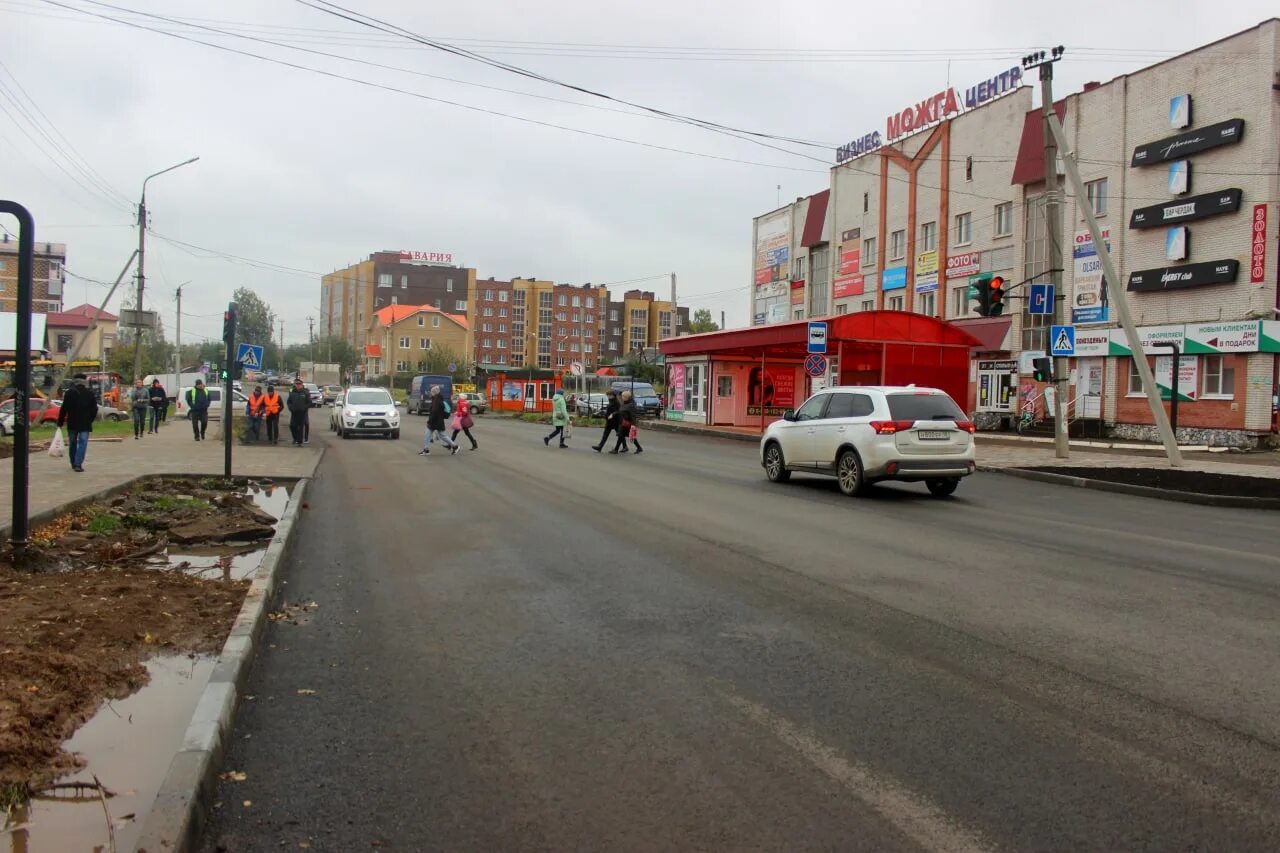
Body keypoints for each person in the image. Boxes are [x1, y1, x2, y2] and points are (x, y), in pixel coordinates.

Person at [57, 373, 98, 473]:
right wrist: (90, 419)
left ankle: (73, 462)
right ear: (85, 382)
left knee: (73, 442)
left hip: (72, 422)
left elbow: (64, 409)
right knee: (83, 442)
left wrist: (60, 422)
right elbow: (95, 409)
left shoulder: (69, 393)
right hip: (85, 423)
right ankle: (78, 464)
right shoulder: (89, 393)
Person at [420, 385, 458, 456]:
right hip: (436, 421)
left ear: (434, 392)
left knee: (442, 436)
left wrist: (430, 420)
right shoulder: (436, 399)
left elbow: (435, 412)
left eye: (431, 392)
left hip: (436, 421)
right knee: (428, 435)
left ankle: (455, 446)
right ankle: (426, 449)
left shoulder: (437, 400)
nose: (431, 393)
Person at [611, 390, 642, 454]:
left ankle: (616, 449)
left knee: (622, 435)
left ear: (626, 397)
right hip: (623, 422)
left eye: (623, 396)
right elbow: (620, 411)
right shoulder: (624, 403)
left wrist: (633, 425)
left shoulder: (631, 405)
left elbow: (633, 415)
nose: (621, 397)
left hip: (628, 423)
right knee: (624, 435)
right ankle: (639, 448)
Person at [286, 378, 311, 447]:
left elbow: (309, 402)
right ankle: (295, 438)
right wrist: (290, 408)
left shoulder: (305, 392)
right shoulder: (292, 392)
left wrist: (304, 408)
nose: (298, 385)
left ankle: (299, 442)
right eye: (297, 384)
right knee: (292, 426)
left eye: (299, 384)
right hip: (294, 413)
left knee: (301, 428)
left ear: (302, 385)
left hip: (302, 413)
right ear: (295, 385)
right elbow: (289, 402)